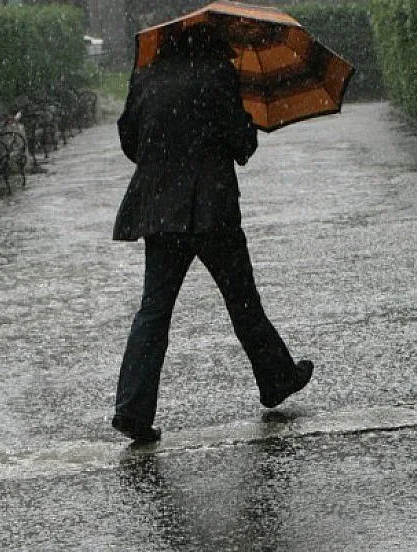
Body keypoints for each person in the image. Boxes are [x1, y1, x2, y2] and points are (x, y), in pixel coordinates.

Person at [111, 24, 313, 444]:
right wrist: (245, 125)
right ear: (211, 41)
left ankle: (132, 408)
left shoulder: (146, 76)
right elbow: (242, 145)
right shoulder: (217, 73)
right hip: (211, 209)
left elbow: (130, 141)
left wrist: (165, 157)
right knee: (242, 300)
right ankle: (276, 378)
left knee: (154, 311)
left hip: (160, 212)